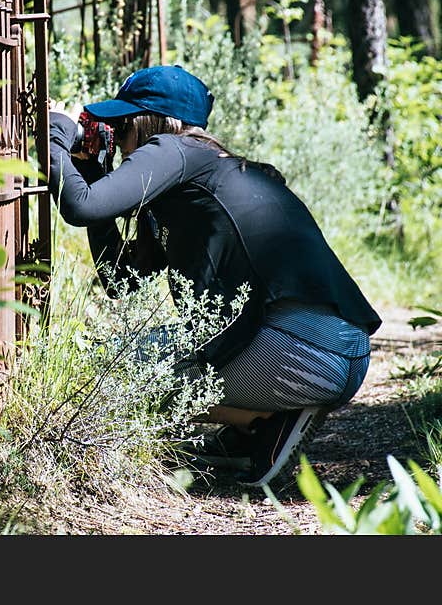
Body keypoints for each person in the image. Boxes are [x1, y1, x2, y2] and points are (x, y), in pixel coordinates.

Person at [48, 65, 381, 487]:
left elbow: (80, 206)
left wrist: (55, 134)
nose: (116, 134)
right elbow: (121, 281)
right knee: (134, 358)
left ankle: (264, 420)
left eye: (122, 122)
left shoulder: (175, 149)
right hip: (340, 353)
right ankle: (258, 427)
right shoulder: (205, 176)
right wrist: (93, 168)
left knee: (99, 364)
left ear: (152, 123)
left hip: (298, 349)